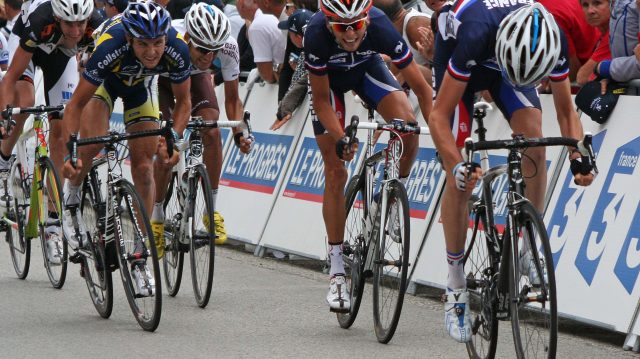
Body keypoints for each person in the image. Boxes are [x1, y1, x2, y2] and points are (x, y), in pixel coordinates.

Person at [430, 2, 595, 343]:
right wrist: (456, 164)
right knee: (459, 172)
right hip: (462, 59)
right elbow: (436, 116)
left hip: (512, 65)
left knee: (535, 139)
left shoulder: (552, 38)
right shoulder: (475, 33)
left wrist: (578, 153)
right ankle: (455, 281)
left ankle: (528, 242)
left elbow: (566, 110)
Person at [304, 0, 433, 312]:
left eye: (356, 25)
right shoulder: (315, 34)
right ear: (328, 22)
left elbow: (421, 88)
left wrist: (442, 137)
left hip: (366, 71)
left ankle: (388, 200)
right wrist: (341, 139)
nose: (350, 34)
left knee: (409, 130)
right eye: (342, 27)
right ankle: (336, 271)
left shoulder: (379, 24)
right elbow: (321, 101)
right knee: (336, 171)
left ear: (366, 19)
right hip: (329, 86)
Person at [62, 0, 191, 296]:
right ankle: (72, 195)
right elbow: (75, 105)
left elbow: (184, 103)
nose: (152, 51)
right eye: (144, 44)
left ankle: (138, 256)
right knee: (92, 143)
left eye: (158, 43)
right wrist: (71, 150)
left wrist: (174, 137)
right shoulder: (110, 47)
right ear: (130, 38)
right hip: (103, 84)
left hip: (140, 89)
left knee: (145, 169)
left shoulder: (177, 47)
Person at [0, 0, 102, 265]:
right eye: (69, 23)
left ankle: (54, 224)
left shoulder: (95, 24)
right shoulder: (39, 22)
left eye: (81, 23)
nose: (77, 30)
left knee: (60, 130)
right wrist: (3, 116)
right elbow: (10, 78)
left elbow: (92, 78)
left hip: (62, 60)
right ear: (57, 18)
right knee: (25, 103)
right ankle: (2, 159)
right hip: (28, 51)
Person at [152, 3, 253, 257]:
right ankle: (156, 217)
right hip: (162, 80)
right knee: (166, 146)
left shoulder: (228, 46)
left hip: (195, 79)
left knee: (212, 129)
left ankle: (210, 209)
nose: (209, 56)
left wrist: (240, 132)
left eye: (214, 51)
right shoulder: (167, 37)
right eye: (202, 49)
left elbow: (232, 100)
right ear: (187, 38)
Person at [270, 8, 312, 130]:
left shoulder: (311, 52)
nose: (288, 34)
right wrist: (282, 106)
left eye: (290, 32)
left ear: (298, 36)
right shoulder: (310, 47)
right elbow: (289, 74)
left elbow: (300, 82)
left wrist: (284, 110)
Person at [248, 0, 285, 83]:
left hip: (285, 84)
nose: (254, 3)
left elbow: (267, 75)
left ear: (266, 3)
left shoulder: (258, 25)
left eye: (256, 1)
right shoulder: (286, 16)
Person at [576, 0, 611, 85]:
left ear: (612, 5)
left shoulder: (614, 33)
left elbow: (582, 77)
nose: (590, 11)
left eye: (597, 3)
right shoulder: (602, 32)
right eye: (585, 5)